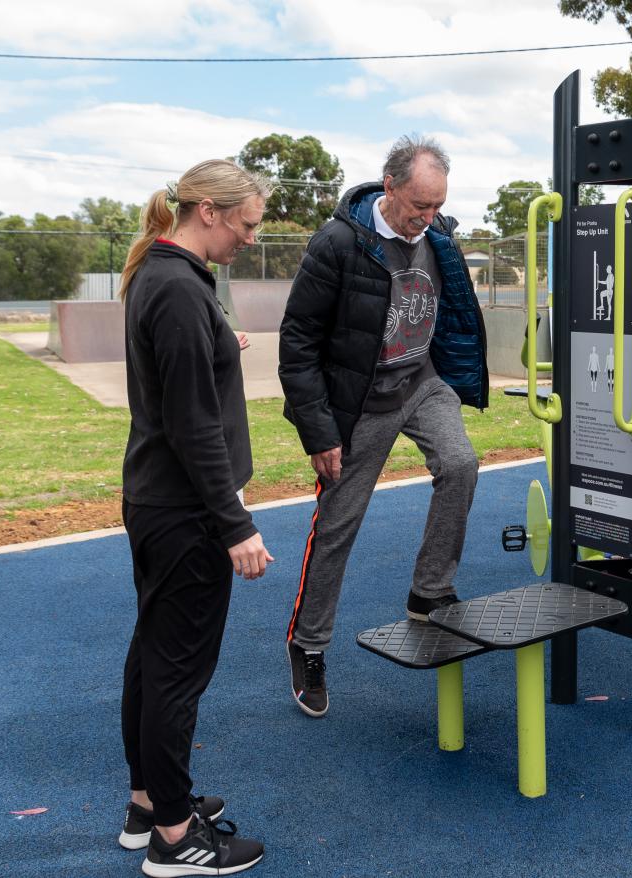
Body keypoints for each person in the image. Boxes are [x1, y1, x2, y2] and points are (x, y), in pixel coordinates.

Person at [279, 135, 488, 717]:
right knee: (339, 524)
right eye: (419, 205)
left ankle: (430, 592)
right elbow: (298, 343)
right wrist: (319, 432)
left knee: (461, 463)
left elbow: (455, 310)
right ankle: (309, 645)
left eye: (437, 205)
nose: (428, 218)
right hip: (361, 403)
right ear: (389, 186)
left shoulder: (438, 235)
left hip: (420, 382)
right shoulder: (339, 243)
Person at [118, 159, 273, 875]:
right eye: (245, 224)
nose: (249, 237)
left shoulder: (165, 276)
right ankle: (176, 840)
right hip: (184, 512)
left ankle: (152, 803)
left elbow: (179, 381)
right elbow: (192, 424)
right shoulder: (179, 288)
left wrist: (218, 347)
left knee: (154, 657)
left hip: (158, 500)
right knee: (177, 672)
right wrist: (235, 523)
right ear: (208, 211)